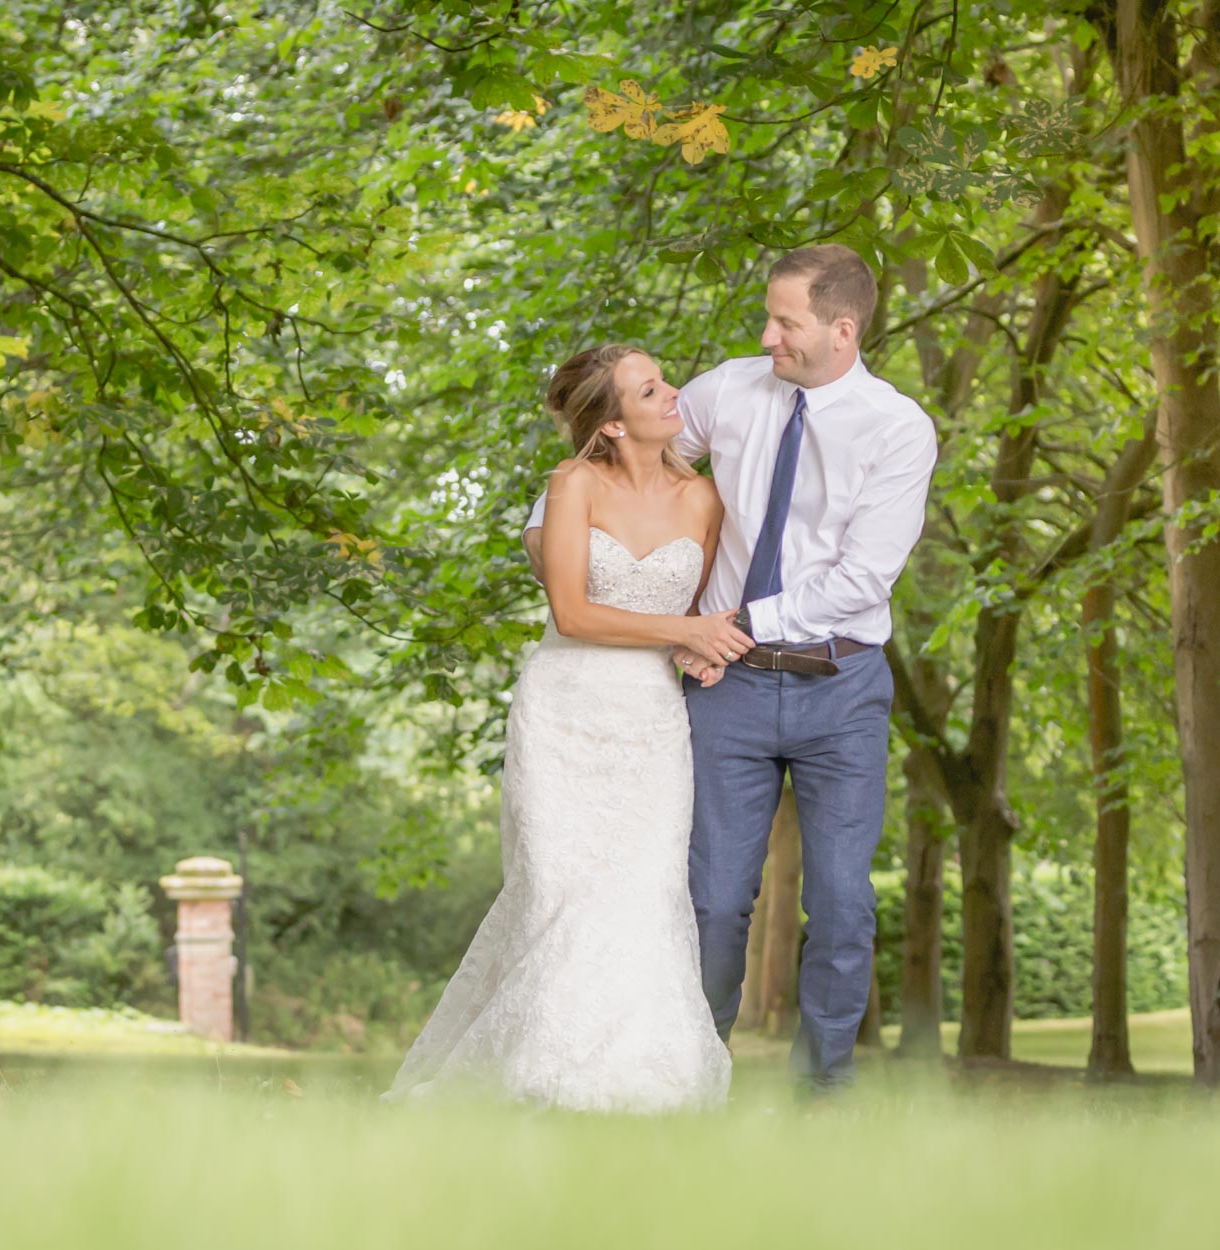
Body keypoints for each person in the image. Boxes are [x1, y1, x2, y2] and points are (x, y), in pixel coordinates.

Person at [524, 244, 937, 1097]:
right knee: (710, 901)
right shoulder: (733, 389)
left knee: (842, 904)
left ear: (841, 329)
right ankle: (690, 1075)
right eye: (770, 316)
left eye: (785, 321)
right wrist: (551, 527)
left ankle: (821, 1096)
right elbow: (612, 453)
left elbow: (861, 580)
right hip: (726, 690)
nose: (768, 334)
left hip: (842, 687)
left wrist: (720, 626)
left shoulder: (898, 430)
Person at [385, 344, 740, 1113]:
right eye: (651, 390)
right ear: (613, 425)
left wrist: (701, 646)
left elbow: (696, 620)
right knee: (556, 886)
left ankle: (645, 1078)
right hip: (565, 712)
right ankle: (534, 1068)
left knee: (646, 891)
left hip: (651, 721)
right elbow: (573, 613)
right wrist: (686, 630)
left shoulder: (705, 501)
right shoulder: (573, 484)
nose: (673, 393)